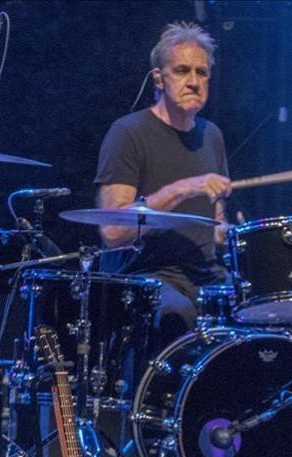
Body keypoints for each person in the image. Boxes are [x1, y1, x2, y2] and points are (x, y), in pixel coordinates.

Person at [95, 21, 232, 343]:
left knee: (267, 313)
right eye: (183, 71)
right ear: (159, 77)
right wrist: (181, 188)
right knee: (178, 314)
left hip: (205, 276)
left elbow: (215, 225)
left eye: (202, 73)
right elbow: (113, 231)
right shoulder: (128, 133)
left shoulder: (212, 135)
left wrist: (232, 234)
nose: (194, 82)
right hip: (146, 276)